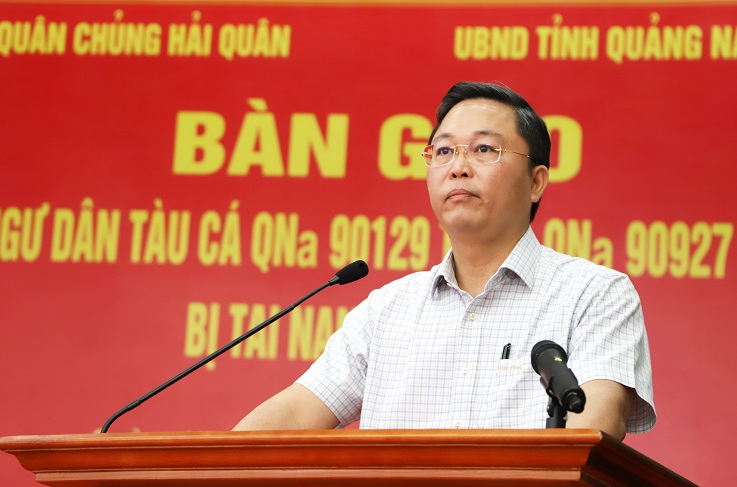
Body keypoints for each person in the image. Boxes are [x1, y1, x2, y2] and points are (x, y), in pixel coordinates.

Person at [233, 81, 656, 440]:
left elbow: (594, 428)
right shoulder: (386, 311)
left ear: (536, 182)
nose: (458, 167)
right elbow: (295, 414)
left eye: (484, 149)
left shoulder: (594, 294)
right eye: (444, 151)